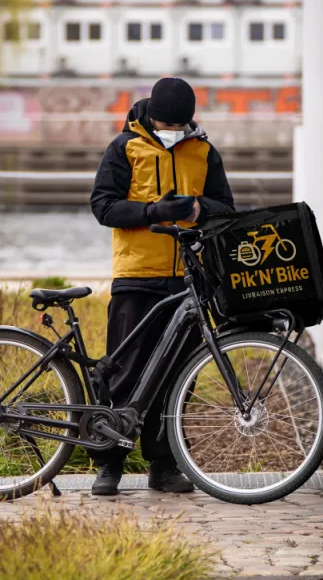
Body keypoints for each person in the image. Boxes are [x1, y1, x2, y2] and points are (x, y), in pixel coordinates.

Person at [90, 77, 235, 496]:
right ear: (151, 116)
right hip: (136, 276)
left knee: (176, 376)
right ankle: (109, 464)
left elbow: (226, 208)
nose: (172, 130)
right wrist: (153, 211)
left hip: (188, 280)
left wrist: (197, 209)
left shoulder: (204, 152)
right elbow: (103, 206)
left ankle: (164, 466)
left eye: (178, 124)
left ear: (189, 120)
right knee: (123, 373)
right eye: (165, 123)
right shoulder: (125, 148)